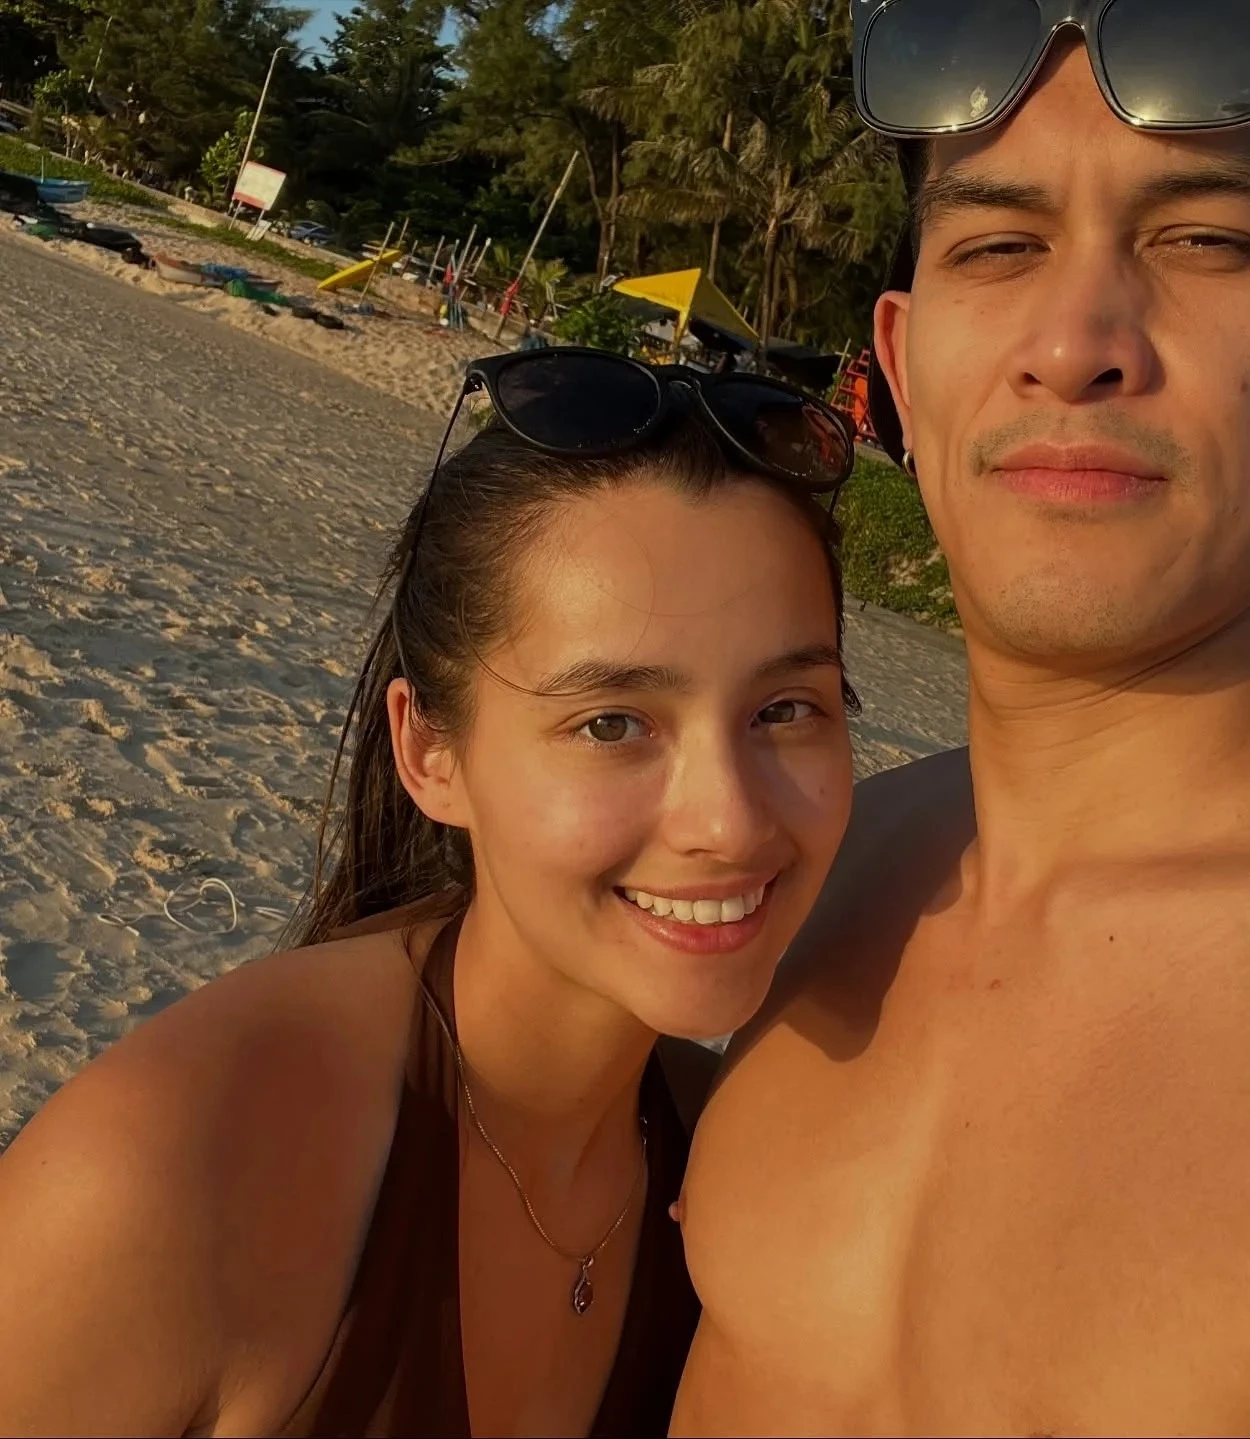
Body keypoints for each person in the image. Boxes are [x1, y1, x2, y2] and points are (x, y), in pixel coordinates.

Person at [674, 2, 1250, 1433]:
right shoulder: (801, 875)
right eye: (997, 246)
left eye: (1207, 239)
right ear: (904, 367)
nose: (1074, 343)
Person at [0, 347, 859, 1437]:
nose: (729, 820)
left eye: (786, 709)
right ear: (431, 751)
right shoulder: (172, 1172)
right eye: (611, 722)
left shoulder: (730, 1170)